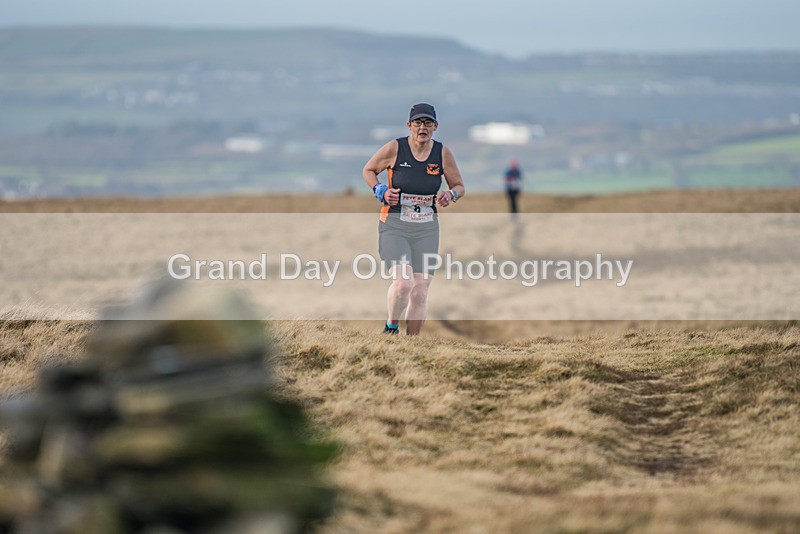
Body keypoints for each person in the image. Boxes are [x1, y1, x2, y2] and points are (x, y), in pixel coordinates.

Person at [362, 103, 465, 336]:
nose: (422, 127)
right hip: (395, 226)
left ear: (435, 126)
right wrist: (379, 190)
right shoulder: (395, 148)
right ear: (409, 125)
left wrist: (452, 194)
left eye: (428, 123)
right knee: (403, 284)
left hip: (427, 229)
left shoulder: (442, 153)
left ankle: (413, 345)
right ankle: (391, 328)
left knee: (420, 290)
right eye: (418, 122)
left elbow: (459, 185)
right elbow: (368, 170)